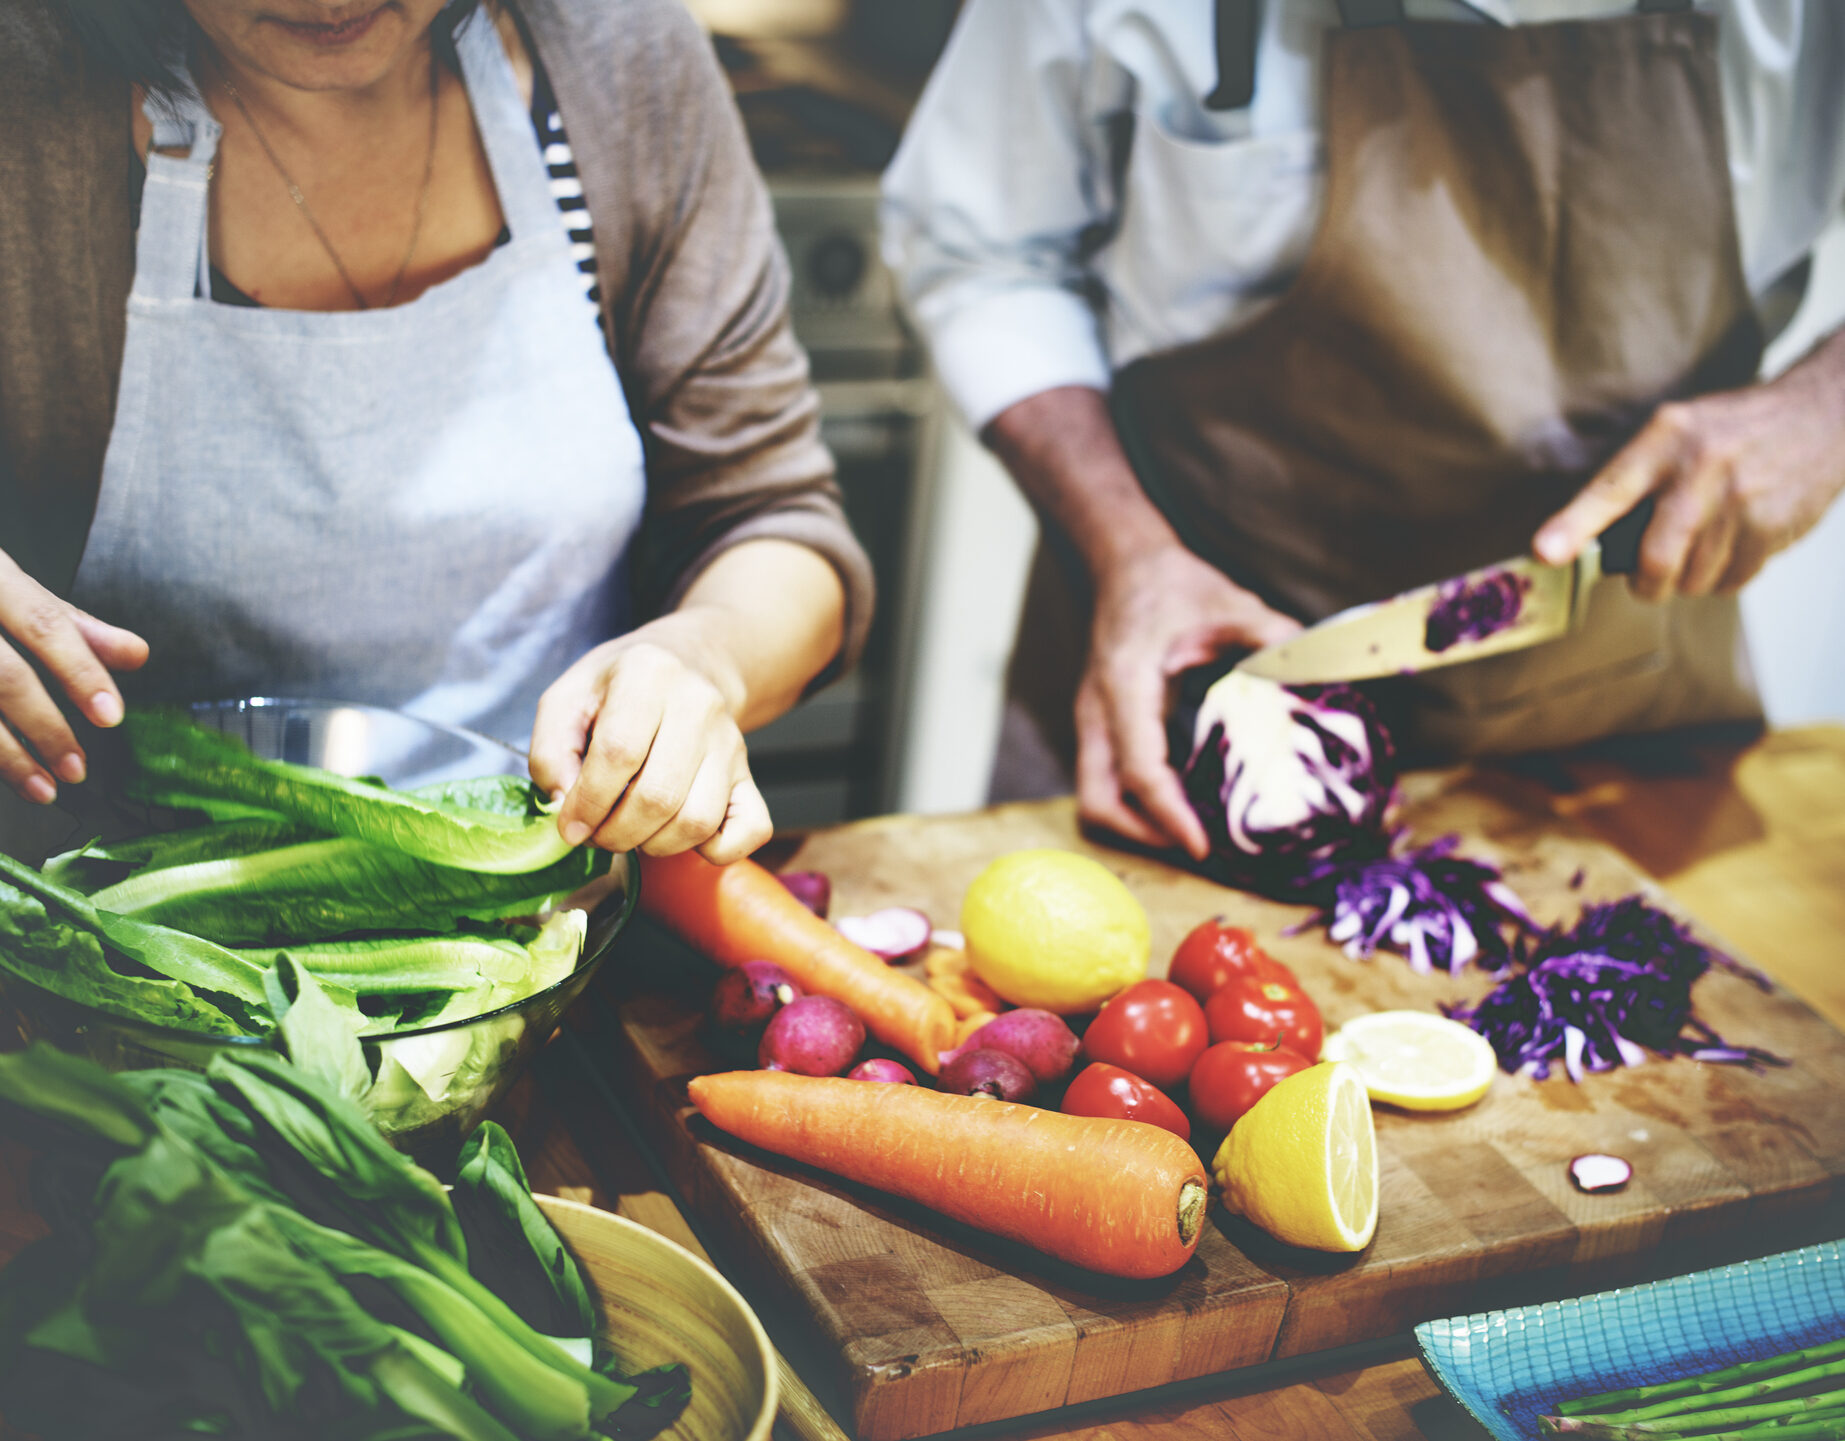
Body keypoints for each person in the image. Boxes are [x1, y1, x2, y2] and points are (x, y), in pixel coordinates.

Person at [881, 0, 1845, 860]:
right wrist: (1128, 548)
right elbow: (978, 253)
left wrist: (1822, 406)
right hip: (1178, 700)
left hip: (1619, 727)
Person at [0, 0, 873, 863]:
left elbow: (771, 522)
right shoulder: (28, 87)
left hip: (552, 919)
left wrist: (703, 657)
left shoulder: (621, 58)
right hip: (106, 943)